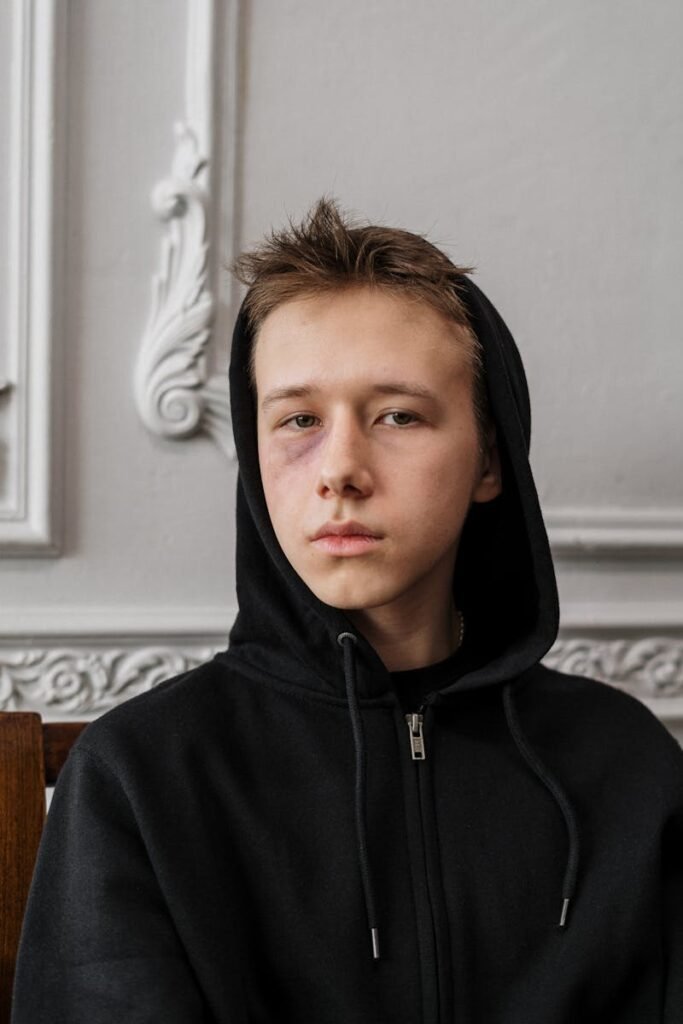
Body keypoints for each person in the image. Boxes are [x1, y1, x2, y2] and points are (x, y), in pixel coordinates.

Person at [11, 197, 683, 1023]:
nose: (339, 470)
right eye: (297, 419)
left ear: (488, 460)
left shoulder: (626, 768)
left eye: (397, 415)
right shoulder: (142, 777)